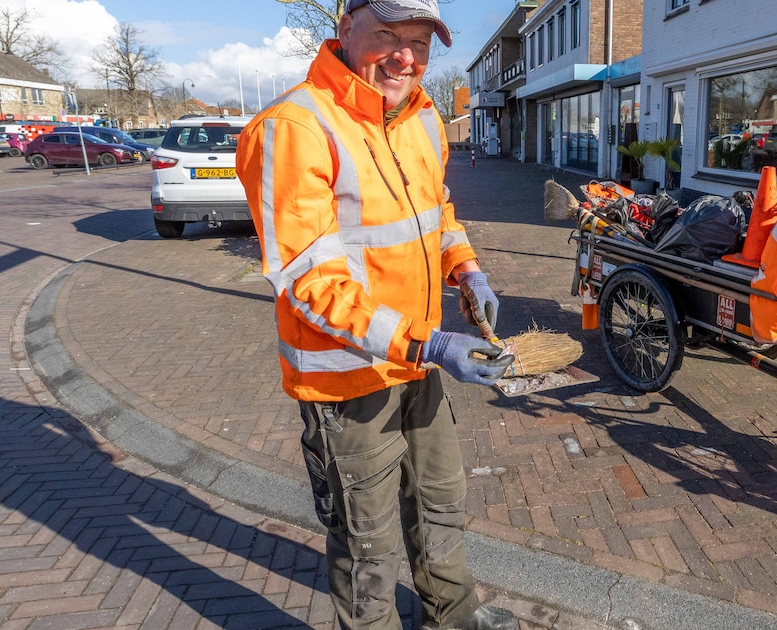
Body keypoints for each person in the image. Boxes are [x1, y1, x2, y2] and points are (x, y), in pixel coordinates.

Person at [235, 1, 517, 629]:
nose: (406, 55)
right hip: (349, 381)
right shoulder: (295, 126)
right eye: (387, 33)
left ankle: (453, 617)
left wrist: (466, 269)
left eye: (420, 40)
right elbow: (309, 281)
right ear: (344, 30)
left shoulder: (420, 117)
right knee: (370, 543)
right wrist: (430, 344)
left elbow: (435, 213)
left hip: (416, 364)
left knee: (441, 502)